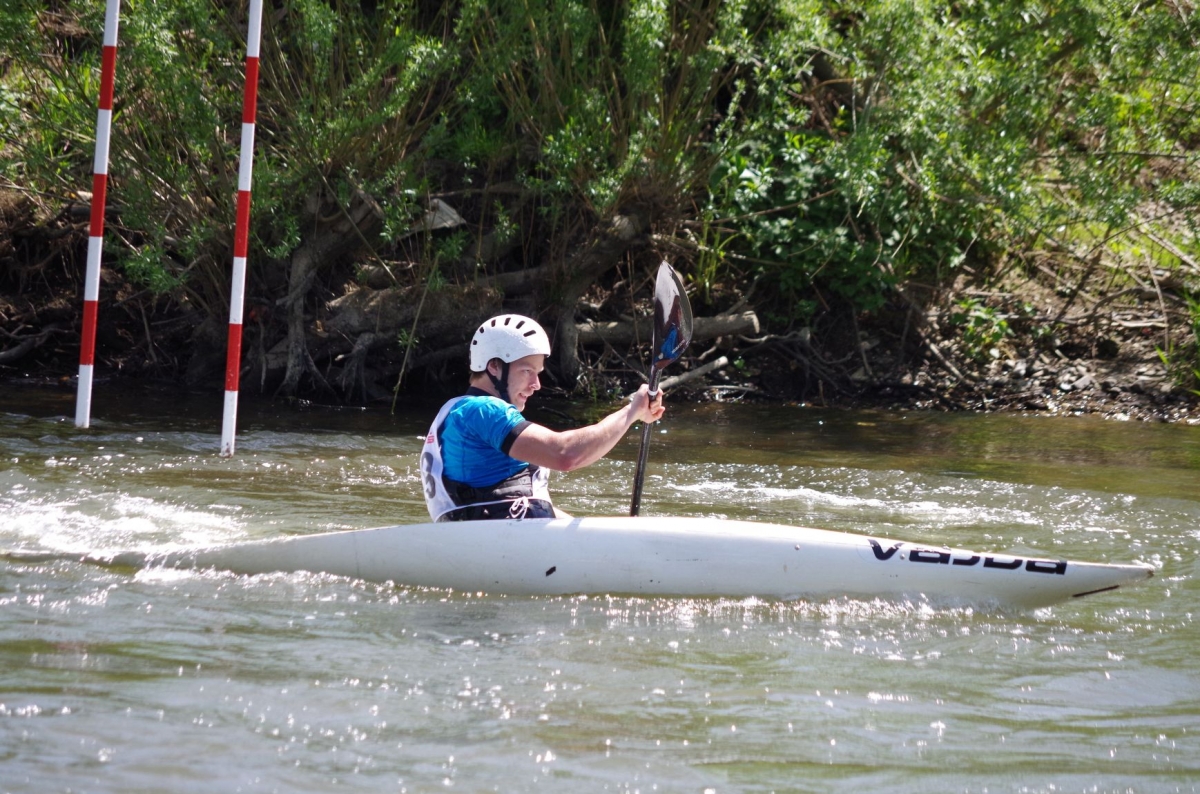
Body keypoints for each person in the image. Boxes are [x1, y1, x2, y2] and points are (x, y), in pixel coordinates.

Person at [420, 313, 665, 522]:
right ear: (494, 366)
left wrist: (601, 535)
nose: (536, 384)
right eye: (527, 371)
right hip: (500, 541)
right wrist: (631, 412)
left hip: (490, 538)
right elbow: (566, 455)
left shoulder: (456, 411)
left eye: (537, 373)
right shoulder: (483, 410)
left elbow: (516, 504)